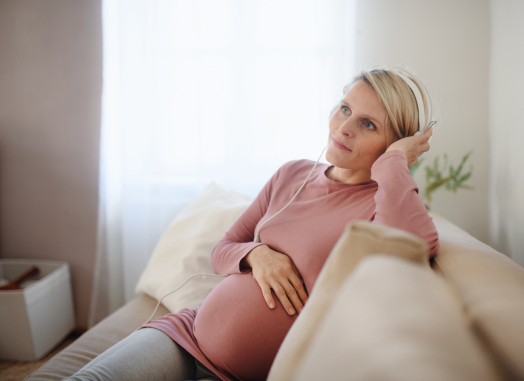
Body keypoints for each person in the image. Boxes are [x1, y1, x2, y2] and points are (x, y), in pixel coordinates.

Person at [67, 65, 439, 381]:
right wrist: (256, 254)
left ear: (397, 144)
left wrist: (393, 164)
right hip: (186, 335)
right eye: (344, 109)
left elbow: (416, 248)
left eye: (368, 124)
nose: (344, 128)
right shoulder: (292, 174)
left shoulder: (381, 205)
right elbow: (222, 249)